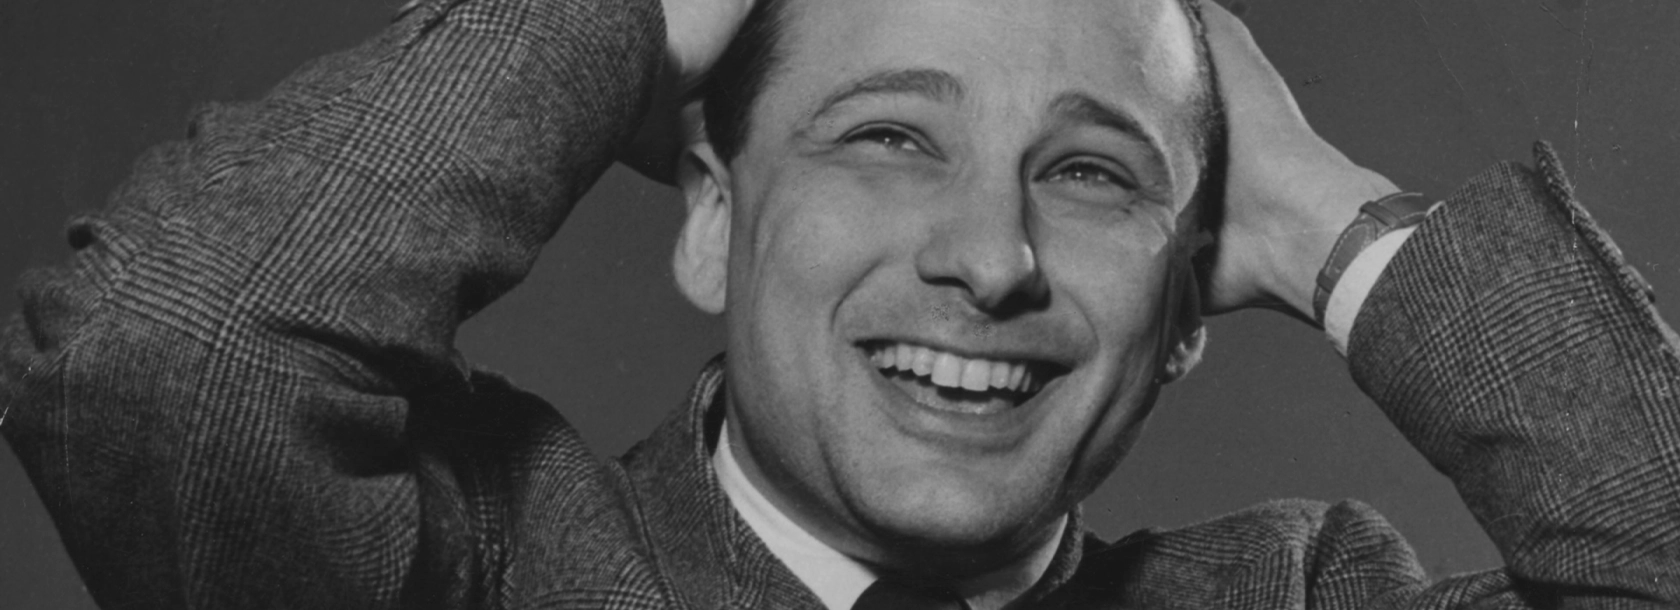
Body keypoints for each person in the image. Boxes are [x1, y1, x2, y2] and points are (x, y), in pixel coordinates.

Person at [0, 0, 1674, 607]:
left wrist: (1318, 214)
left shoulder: (1296, 595)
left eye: (1090, 173)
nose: (991, 257)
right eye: (888, 137)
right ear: (715, 221)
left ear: (1185, 307)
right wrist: (624, 17)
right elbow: (161, 351)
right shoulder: (474, 571)